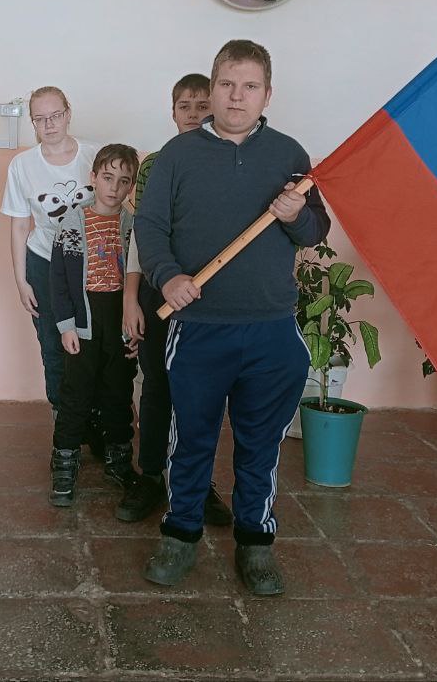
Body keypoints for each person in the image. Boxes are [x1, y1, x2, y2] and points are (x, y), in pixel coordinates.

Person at [135, 40, 330, 595]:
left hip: (271, 328)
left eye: (249, 86)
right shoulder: (177, 156)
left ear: (268, 94)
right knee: (191, 439)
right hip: (199, 328)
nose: (236, 96)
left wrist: (295, 216)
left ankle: (255, 542)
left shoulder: (290, 154)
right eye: (226, 84)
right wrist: (168, 276)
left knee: (261, 444)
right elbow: (150, 227)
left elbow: (316, 231)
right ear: (212, 89)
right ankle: (181, 533)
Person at [118, 73, 232, 527]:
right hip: (158, 292)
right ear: (172, 113)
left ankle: (196, 484)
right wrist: (131, 299)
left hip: (208, 299)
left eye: (203, 106)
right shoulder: (155, 165)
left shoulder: (230, 161)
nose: (194, 114)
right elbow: (142, 235)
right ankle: (149, 476)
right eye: (185, 106)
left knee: (201, 393)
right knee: (156, 386)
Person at [47, 144, 139, 507]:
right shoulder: (72, 222)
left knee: (118, 391)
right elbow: (58, 280)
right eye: (107, 177)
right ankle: (64, 460)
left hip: (119, 318)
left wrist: (134, 328)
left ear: (131, 186)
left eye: (123, 181)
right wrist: (67, 325)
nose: (114, 187)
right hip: (83, 321)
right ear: (93, 177)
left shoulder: (133, 226)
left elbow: (140, 280)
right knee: (76, 393)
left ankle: (118, 460)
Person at [0, 86, 98, 414]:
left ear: (68, 113)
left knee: (93, 338)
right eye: (40, 119)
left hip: (89, 263)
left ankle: (95, 415)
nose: (49, 124)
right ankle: (63, 417)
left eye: (55, 115)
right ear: (32, 122)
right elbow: (19, 225)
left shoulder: (94, 155)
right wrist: (21, 281)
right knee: (53, 342)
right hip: (44, 261)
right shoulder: (22, 165)